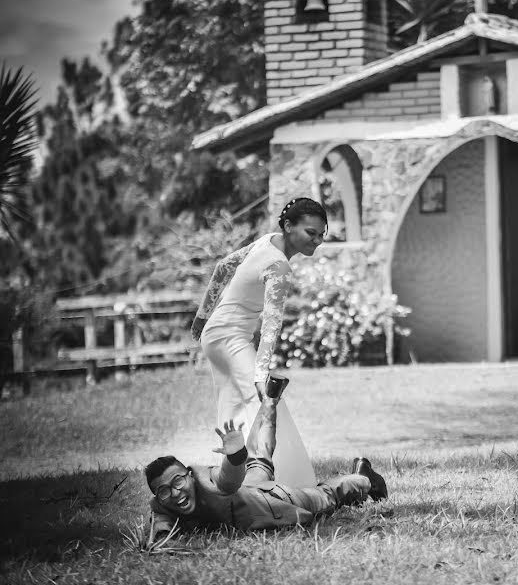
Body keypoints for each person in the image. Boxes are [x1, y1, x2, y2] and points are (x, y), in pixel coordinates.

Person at [191, 197, 328, 488]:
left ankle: (230, 481)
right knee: (265, 403)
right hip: (229, 337)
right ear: (288, 226)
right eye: (310, 233)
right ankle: (287, 483)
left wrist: (203, 317)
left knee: (232, 409)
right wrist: (260, 373)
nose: (317, 240)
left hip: (214, 336)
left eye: (321, 234)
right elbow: (271, 325)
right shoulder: (279, 266)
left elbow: (223, 266)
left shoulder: (266, 242)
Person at [144, 379, 387, 540]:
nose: (175, 493)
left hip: (273, 499)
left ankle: (364, 478)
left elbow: (227, 480)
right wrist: (161, 539)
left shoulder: (207, 482)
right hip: (248, 489)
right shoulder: (163, 504)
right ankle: (270, 400)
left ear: (189, 475)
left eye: (178, 482)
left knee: (326, 496)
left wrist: (235, 455)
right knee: (259, 458)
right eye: (164, 491)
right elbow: (161, 526)